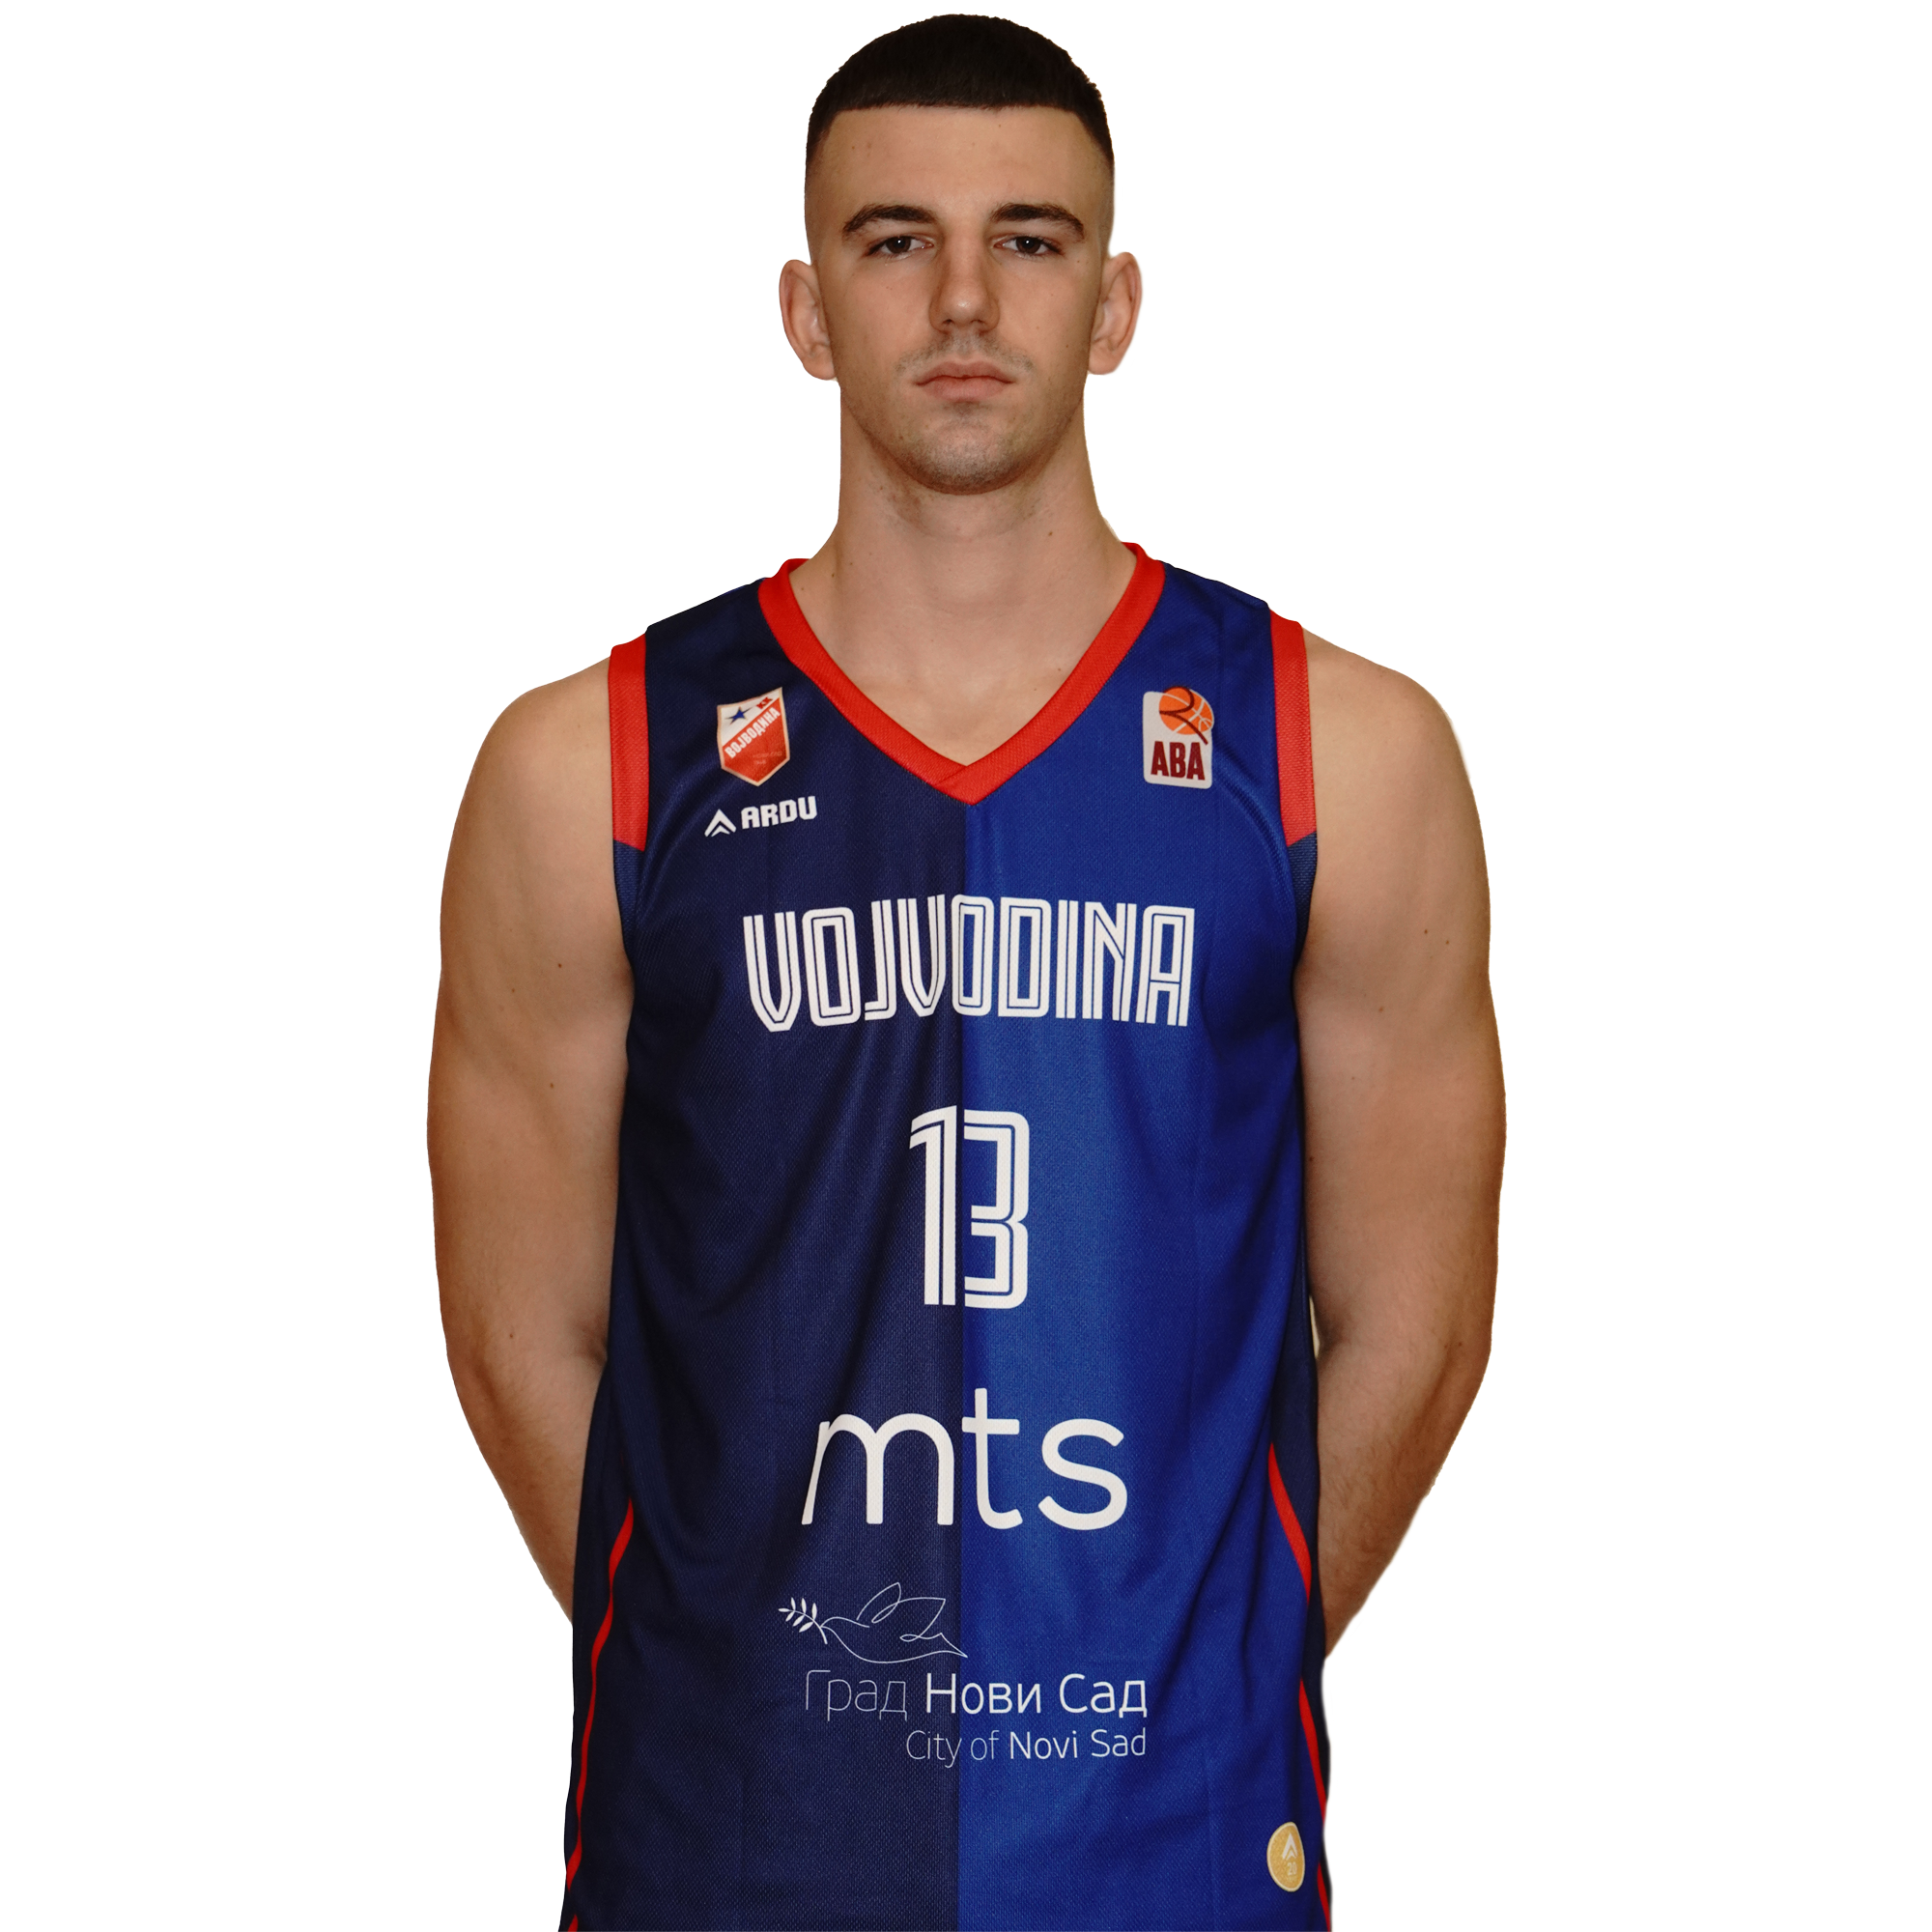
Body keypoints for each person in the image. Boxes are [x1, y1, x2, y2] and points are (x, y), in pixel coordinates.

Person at [429, 14, 1503, 1928]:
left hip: (1170, 1845)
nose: (960, 300)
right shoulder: (587, 766)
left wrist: (1195, 1664)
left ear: (1116, 304)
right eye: (891, 238)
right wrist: (738, 1659)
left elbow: (1413, 1319)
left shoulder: (1332, 753)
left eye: (1028, 237)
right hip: (730, 1836)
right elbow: (526, 1330)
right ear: (804, 310)